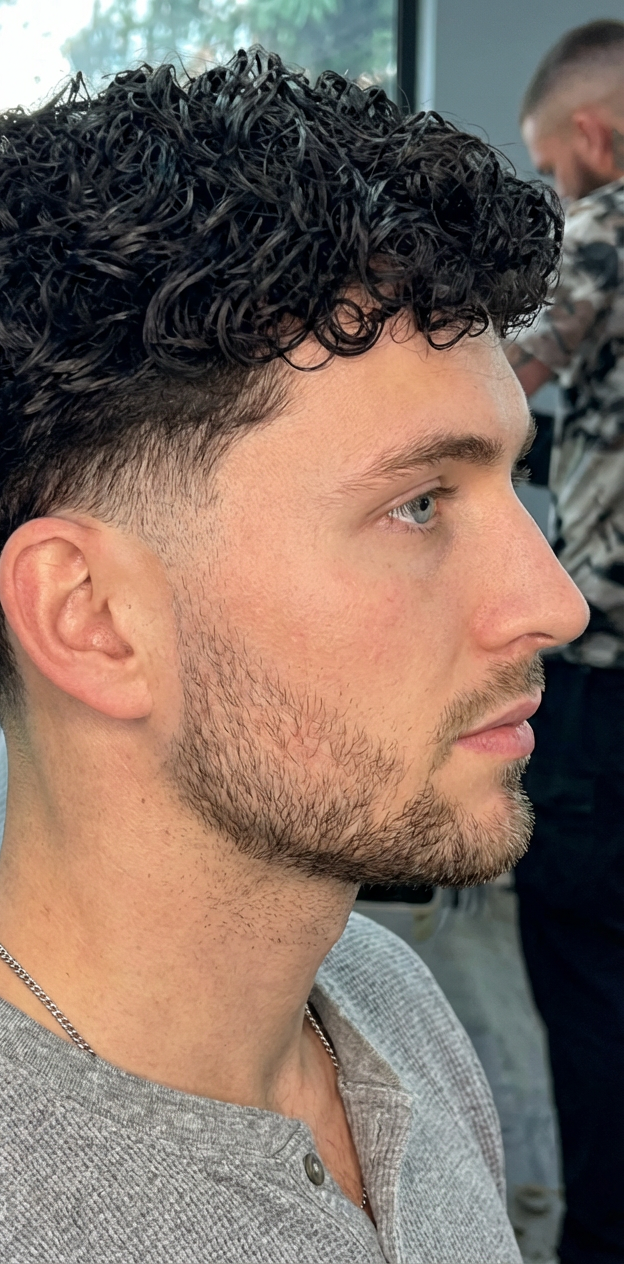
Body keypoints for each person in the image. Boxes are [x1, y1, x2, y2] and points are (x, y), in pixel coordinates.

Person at [0, 52, 587, 1263]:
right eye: (417, 503)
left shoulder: (378, 999)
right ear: (92, 617)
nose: (552, 605)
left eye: (506, 480)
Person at [505, 21, 624, 1264]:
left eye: (549, 166)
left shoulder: (604, 227)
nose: (557, 188)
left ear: (590, 136)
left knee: (590, 975)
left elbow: (489, 381)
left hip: (605, 692)